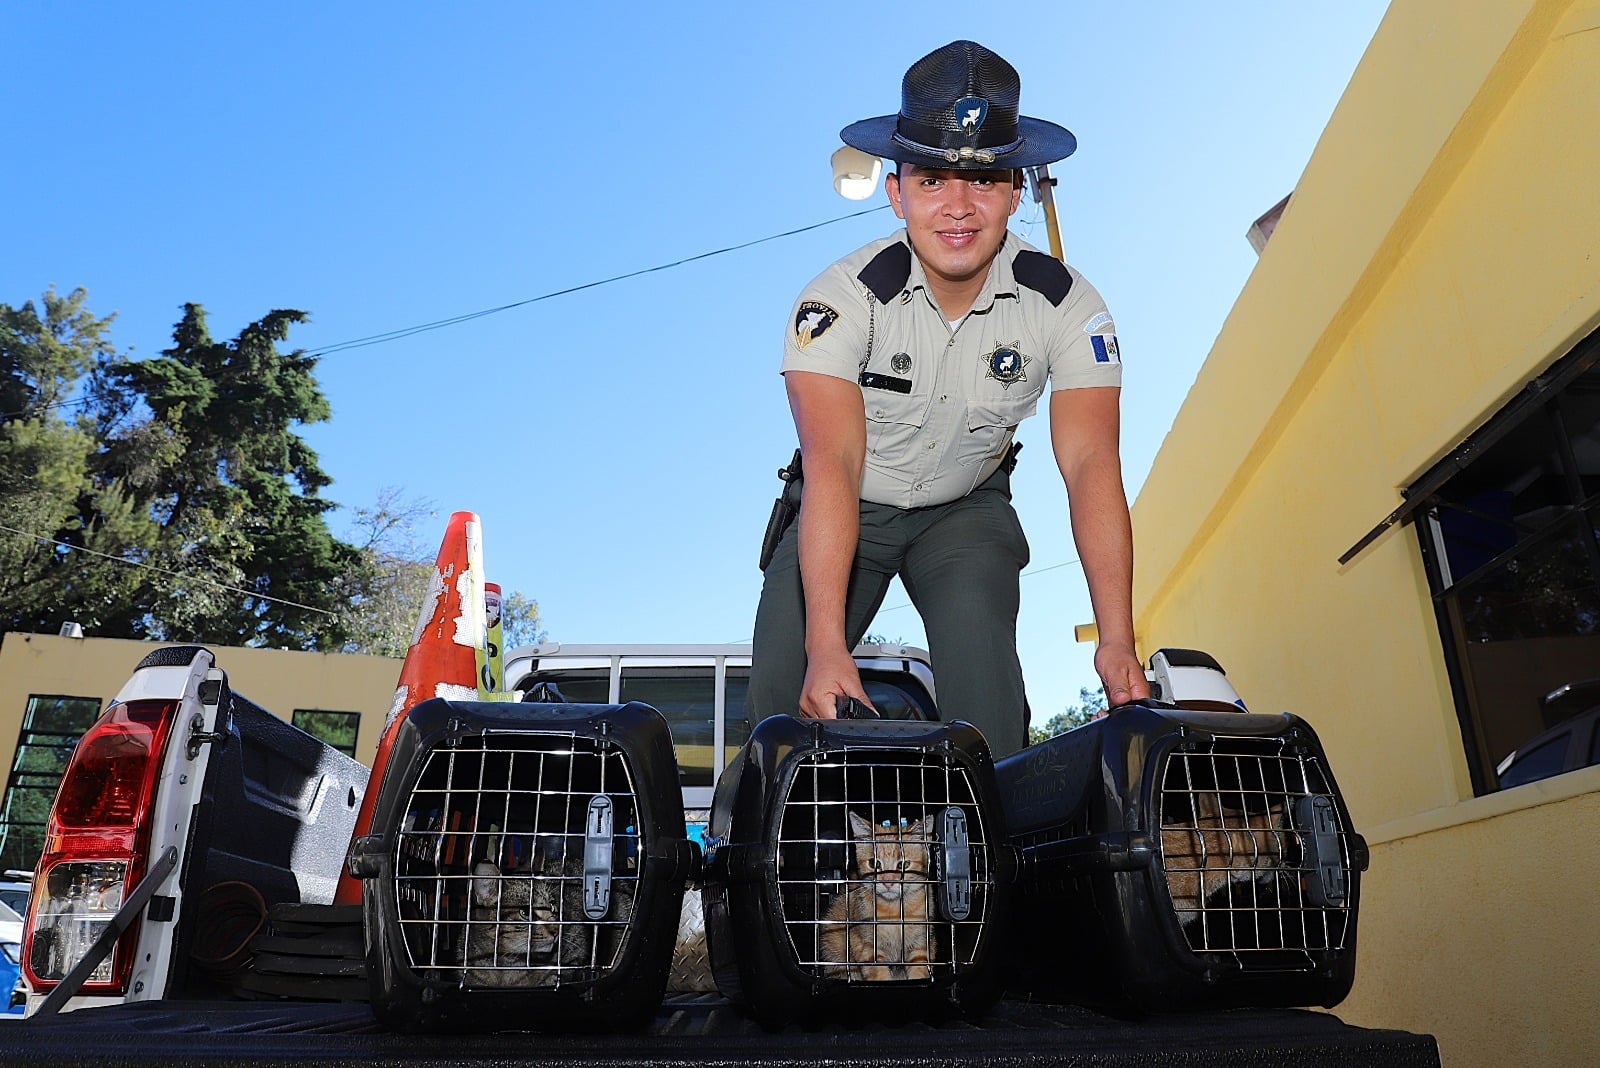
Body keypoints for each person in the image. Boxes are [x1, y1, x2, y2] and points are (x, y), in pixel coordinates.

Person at [749, 40, 1149, 756]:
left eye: (984, 180)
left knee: (991, 718)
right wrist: (826, 644)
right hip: (850, 502)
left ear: (1016, 191)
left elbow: (1091, 463)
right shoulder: (838, 302)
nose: (958, 207)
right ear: (896, 192)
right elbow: (833, 461)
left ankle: (985, 830)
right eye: (932, 180)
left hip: (965, 509)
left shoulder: (1069, 307)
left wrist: (1116, 639)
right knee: (782, 708)